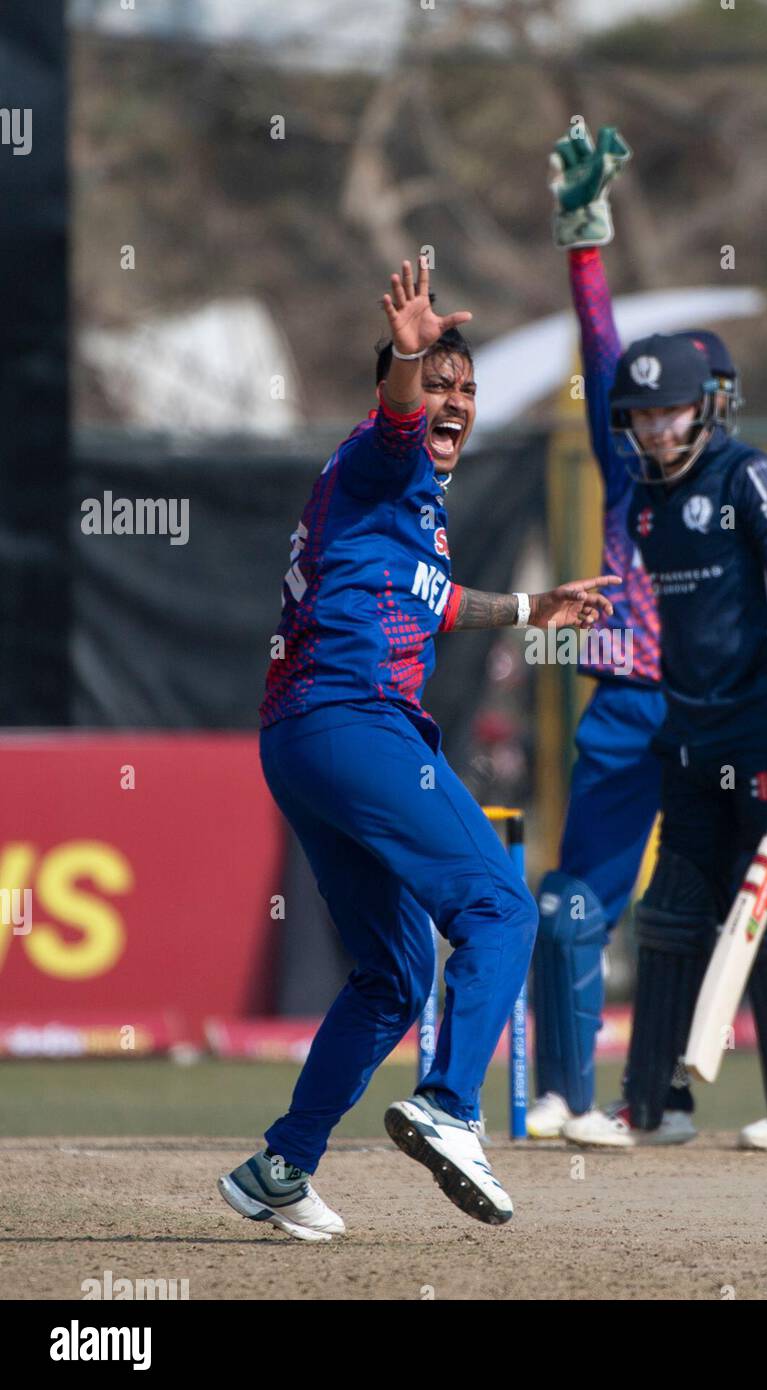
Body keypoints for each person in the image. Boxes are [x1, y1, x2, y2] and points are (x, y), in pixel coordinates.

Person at [217, 257, 618, 1235]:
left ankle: (281, 1165)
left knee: (397, 974)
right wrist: (406, 360)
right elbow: (397, 413)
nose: (455, 401)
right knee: (498, 906)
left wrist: (530, 606)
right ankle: (447, 1106)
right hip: (355, 721)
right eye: (440, 383)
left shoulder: (409, 513)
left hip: (303, 739)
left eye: (467, 388)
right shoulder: (380, 454)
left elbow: (434, 605)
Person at [531, 123, 767, 1144]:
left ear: (709, 409)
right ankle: (599, 1094)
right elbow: (604, 359)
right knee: (624, 907)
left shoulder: (746, 475)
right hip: (643, 707)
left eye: (676, 409)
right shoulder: (630, 475)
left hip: (740, 713)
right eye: (645, 414)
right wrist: (585, 248)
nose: (658, 428)